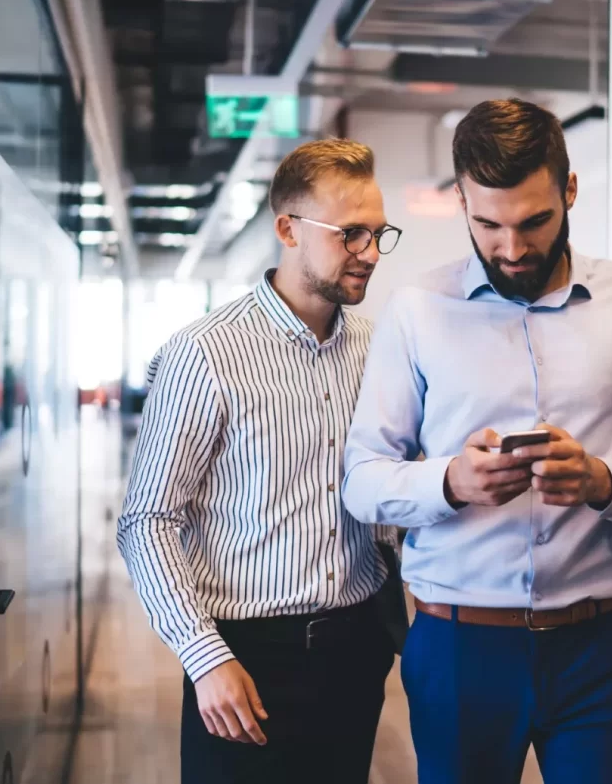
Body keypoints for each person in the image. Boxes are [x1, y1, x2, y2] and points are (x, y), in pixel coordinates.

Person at [342, 99, 612, 784]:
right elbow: (362, 478)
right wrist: (451, 481)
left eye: (534, 221)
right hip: (458, 649)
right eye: (488, 224)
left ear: (569, 191)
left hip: (603, 647)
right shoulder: (417, 309)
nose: (511, 248)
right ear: (461, 202)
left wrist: (602, 480)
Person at [118, 138, 404, 784]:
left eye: (378, 234)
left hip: (357, 648)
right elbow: (147, 519)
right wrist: (204, 657)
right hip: (247, 656)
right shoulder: (206, 352)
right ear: (288, 228)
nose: (368, 252)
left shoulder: (377, 344)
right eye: (350, 233)